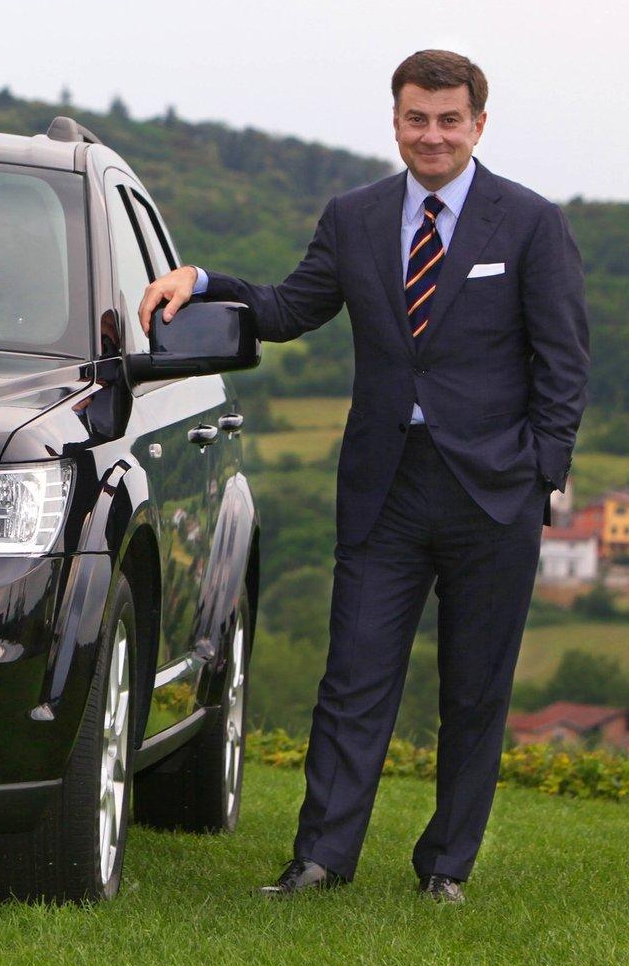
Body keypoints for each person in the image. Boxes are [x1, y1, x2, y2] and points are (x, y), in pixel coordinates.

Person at [138, 50, 590, 903]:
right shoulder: (355, 217)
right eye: (417, 118)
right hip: (385, 487)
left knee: (475, 691)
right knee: (353, 678)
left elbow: (564, 363)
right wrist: (202, 281)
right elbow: (288, 308)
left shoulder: (531, 223)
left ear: (478, 124)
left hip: (495, 494)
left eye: (449, 120)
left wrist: (542, 475)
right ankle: (320, 861)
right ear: (395, 121)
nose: (433, 135)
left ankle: (445, 868)